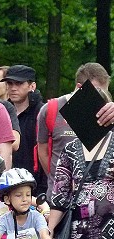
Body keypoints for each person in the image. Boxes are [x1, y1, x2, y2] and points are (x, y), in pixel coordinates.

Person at [37, 63, 114, 196]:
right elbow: (42, 150)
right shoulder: (50, 109)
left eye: (104, 92)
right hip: (58, 196)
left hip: (96, 199)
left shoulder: (107, 112)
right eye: (96, 93)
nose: (101, 99)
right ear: (79, 88)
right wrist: (57, 178)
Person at [2, 64, 46, 195]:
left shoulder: (43, 112)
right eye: (10, 83)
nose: (13, 88)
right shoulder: (2, 112)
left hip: (37, 185)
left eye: (19, 83)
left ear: (32, 86)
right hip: (8, 185)